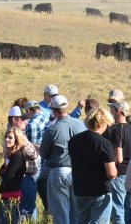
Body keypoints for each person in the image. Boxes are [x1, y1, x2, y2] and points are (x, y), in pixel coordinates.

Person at [39, 95, 85, 224]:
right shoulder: (80, 125)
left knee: (60, 214)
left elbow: (43, 153)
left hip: (59, 172)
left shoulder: (52, 129)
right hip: (78, 172)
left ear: (53, 110)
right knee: (76, 213)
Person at [68, 109, 117, 223]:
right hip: (100, 191)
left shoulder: (74, 140)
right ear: (103, 123)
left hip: (80, 189)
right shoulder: (104, 143)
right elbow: (111, 173)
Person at [106, 101, 131, 224]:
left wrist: (110, 166)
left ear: (118, 111)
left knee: (118, 211)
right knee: (128, 210)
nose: (111, 113)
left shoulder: (118, 129)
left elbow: (119, 157)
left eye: (112, 110)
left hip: (120, 174)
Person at [0, 128, 30, 224]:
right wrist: (4, 172)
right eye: (6, 137)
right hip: (7, 193)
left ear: (17, 139)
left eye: (10, 138)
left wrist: (3, 173)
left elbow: (7, 175)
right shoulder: (10, 155)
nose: (7, 139)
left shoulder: (18, 155)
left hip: (12, 195)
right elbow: (1, 171)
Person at [21, 99, 47, 219]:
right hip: (47, 165)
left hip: (34, 166)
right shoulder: (48, 119)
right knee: (48, 199)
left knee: (30, 200)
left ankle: (32, 220)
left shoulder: (30, 125)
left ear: (28, 110)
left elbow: (28, 147)